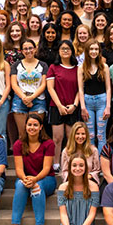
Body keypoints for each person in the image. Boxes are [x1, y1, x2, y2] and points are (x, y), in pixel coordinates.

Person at [8, 113, 56, 225]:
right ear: (25, 126)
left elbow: (46, 169)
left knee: (37, 186)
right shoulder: (19, 144)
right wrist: (25, 179)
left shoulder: (48, 143)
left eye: (35, 125)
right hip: (26, 179)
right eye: (29, 125)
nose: (32, 127)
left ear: (41, 127)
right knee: (19, 185)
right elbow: (18, 170)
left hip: (47, 179)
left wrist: (34, 180)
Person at [47, 40, 81, 169]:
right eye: (62, 49)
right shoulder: (53, 68)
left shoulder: (78, 69)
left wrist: (75, 105)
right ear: (59, 51)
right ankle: (56, 163)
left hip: (72, 107)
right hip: (57, 107)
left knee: (71, 137)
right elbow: (51, 88)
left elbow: (80, 89)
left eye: (68, 49)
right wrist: (60, 106)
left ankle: (70, 163)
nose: (65, 51)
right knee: (57, 138)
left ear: (72, 51)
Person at [78, 40, 111, 153]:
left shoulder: (104, 67)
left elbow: (108, 88)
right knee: (90, 135)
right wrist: (82, 107)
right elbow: (81, 89)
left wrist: (108, 106)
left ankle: (102, 161)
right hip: (87, 102)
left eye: (96, 49)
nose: (94, 51)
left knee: (101, 135)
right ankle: (92, 162)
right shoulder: (82, 67)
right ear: (87, 51)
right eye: (91, 49)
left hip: (101, 101)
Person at [11, 39, 48, 136]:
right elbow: (14, 84)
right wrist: (24, 98)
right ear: (22, 51)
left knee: (35, 133)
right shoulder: (16, 65)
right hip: (19, 100)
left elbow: (43, 85)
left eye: (31, 48)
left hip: (38, 100)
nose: (28, 51)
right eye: (25, 49)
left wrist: (31, 98)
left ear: (35, 49)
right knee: (22, 134)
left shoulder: (43, 65)